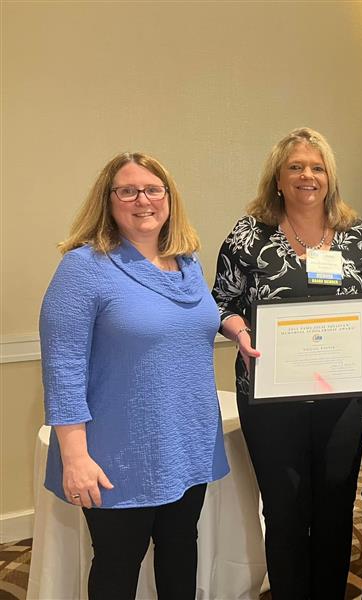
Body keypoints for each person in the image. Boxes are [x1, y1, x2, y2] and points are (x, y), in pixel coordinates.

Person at [212, 127, 362, 599]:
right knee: (284, 510)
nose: (307, 175)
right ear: (277, 178)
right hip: (270, 397)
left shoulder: (357, 236)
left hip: (341, 397)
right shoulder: (249, 235)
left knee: (335, 509)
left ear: (330, 178)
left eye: (317, 167)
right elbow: (220, 302)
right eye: (296, 166)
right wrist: (239, 331)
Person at [39, 152, 229, 600]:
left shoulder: (187, 262)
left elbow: (191, 331)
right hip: (117, 452)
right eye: (128, 190)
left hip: (186, 444)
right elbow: (62, 367)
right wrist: (75, 457)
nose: (143, 200)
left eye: (153, 189)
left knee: (181, 550)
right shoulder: (83, 268)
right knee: (118, 563)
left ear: (169, 199)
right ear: (108, 201)